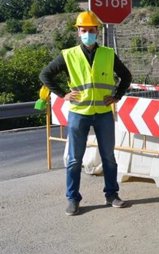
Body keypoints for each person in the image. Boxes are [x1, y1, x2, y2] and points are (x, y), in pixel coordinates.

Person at [39, 11, 132, 216]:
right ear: (78, 32)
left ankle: (112, 195)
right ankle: (73, 199)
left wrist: (117, 96)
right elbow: (45, 74)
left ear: (97, 31)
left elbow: (126, 76)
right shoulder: (68, 55)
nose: (88, 33)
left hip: (103, 112)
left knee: (108, 157)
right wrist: (63, 94)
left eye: (91, 30)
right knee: (74, 159)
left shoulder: (108, 53)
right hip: (79, 113)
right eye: (84, 30)